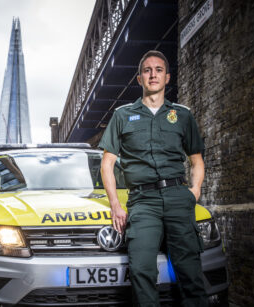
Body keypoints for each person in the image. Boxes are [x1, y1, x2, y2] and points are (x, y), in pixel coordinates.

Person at [99, 50, 207, 306]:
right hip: (143, 201)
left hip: (178, 197)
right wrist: (115, 204)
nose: (153, 74)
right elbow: (107, 163)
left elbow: (196, 160)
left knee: (190, 272)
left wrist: (194, 191)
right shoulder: (122, 115)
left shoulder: (182, 115)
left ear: (167, 77)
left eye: (158, 69)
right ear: (139, 79)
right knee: (141, 271)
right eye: (147, 70)